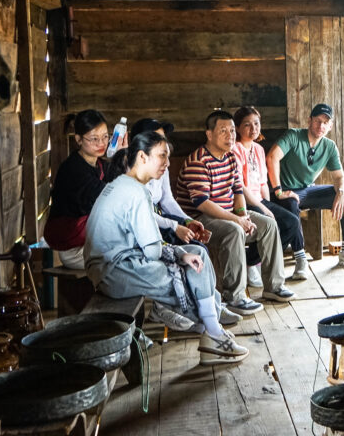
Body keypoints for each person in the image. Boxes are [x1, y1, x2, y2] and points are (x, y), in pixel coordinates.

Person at [84, 130, 248, 361]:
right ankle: (212, 330)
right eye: (162, 156)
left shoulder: (123, 184)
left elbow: (149, 243)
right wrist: (179, 255)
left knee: (197, 252)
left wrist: (181, 252)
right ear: (142, 157)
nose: (167, 163)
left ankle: (210, 325)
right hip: (113, 273)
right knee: (190, 268)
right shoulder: (136, 192)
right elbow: (151, 250)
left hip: (112, 267)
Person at [177, 110, 294, 315]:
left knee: (268, 224)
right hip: (199, 220)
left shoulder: (231, 157)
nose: (230, 135)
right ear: (209, 134)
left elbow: (238, 191)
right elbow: (202, 203)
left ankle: (274, 286)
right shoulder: (199, 160)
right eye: (223, 131)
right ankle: (236, 297)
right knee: (234, 231)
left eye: (232, 130)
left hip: (229, 212)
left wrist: (243, 215)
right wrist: (236, 220)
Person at [266, 103, 344, 266]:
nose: (321, 126)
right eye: (317, 121)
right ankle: (300, 257)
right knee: (292, 201)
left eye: (325, 122)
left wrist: (341, 193)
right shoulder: (293, 136)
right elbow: (272, 157)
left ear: (330, 126)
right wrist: (278, 191)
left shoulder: (329, 147)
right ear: (309, 120)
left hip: (308, 191)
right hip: (286, 193)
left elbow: (339, 177)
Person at [230, 106, 306, 283]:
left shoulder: (258, 149)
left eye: (256, 123)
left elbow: (263, 183)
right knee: (279, 221)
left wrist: (273, 202)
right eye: (247, 125)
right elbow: (240, 186)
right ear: (239, 128)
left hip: (260, 199)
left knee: (290, 217)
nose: (253, 128)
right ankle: (251, 263)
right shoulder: (235, 149)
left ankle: (252, 260)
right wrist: (265, 208)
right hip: (244, 202)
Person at [45, 110, 112, 269]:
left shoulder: (101, 165)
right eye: (94, 138)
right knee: (128, 263)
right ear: (78, 140)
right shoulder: (73, 169)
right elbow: (109, 195)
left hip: (94, 241)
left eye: (105, 136)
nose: (101, 143)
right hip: (74, 248)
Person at [130, 118, 209, 249]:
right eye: (157, 138)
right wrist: (175, 226)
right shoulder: (130, 171)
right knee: (195, 249)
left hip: (158, 217)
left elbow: (167, 200)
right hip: (142, 226)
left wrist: (186, 220)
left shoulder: (162, 164)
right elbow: (142, 214)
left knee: (197, 245)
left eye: (163, 138)